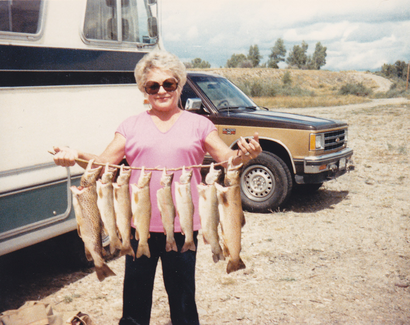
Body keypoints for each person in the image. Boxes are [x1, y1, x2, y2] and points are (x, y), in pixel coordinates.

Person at [53, 51, 262, 325]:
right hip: (139, 229)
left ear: (179, 85)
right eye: (153, 86)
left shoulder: (200, 124)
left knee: (183, 298)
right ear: (144, 90)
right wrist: (75, 153)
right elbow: (103, 166)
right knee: (135, 301)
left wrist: (246, 153)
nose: (162, 91)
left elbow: (228, 161)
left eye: (169, 84)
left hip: (183, 227)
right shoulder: (130, 126)